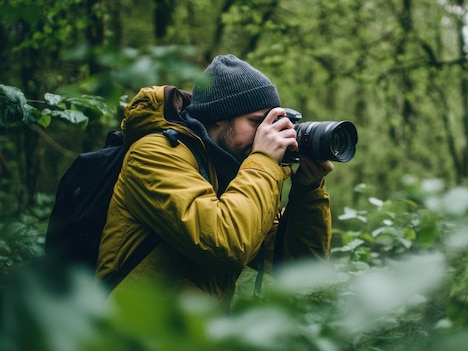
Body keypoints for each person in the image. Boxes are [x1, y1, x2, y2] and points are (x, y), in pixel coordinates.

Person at [96, 54, 333, 306]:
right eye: (256, 122)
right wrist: (263, 159)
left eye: (271, 122)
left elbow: (300, 269)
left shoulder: (232, 172)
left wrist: (308, 191)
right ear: (220, 116)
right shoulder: (154, 154)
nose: (266, 133)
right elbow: (226, 244)